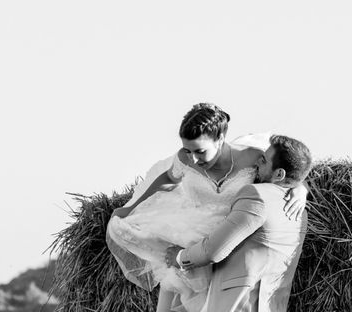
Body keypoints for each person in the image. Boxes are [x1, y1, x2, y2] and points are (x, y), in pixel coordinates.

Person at [106, 104, 309, 312]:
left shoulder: (252, 157)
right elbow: (168, 178)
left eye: (200, 151)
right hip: (189, 237)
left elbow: (286, 170)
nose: (193, 158)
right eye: (188, 150)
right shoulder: (184, 159)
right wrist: (133, 206)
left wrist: (300, 189)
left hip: (226, 243)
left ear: (221, 138)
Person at [165, 135, 313, 312]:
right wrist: (301, 188)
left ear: (279, 174)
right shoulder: (300, 214)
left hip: (236, 304)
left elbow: (213, 250)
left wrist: (180, 257)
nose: (258, 162)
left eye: (264, 160)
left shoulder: (257, 195)